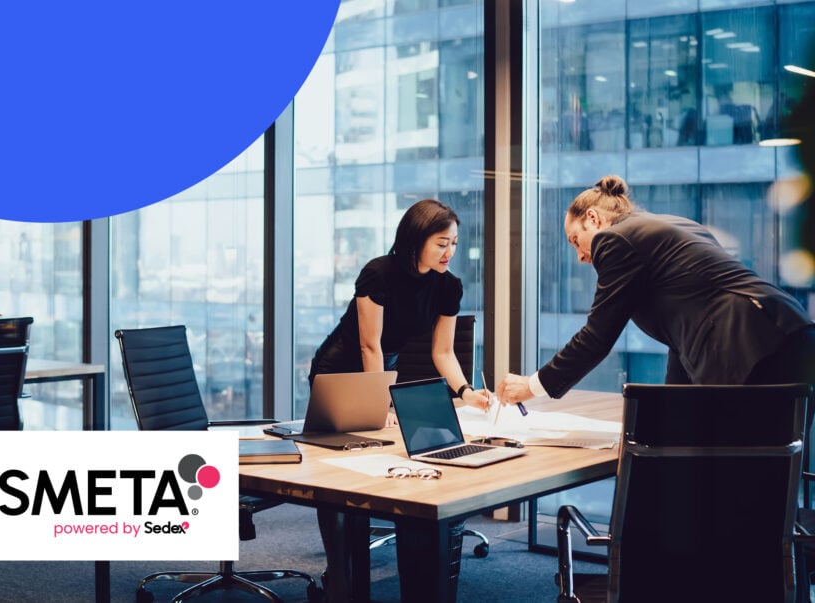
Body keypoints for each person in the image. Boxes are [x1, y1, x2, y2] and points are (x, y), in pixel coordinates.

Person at [496, 175, 815, 406]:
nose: (580, 256)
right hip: (787, 335)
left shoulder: (615, 239)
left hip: (756, 346)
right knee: (771, 479)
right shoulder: (670, 226)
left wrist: (532, 385)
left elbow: (597, 336)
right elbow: (682, 336)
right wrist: (671, 410)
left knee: (746, 482)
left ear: (592, 218)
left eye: (575, 241)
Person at [308, 197, 490, 598]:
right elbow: (368, 345)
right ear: (416, 239)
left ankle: (355, 571)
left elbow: (442, 352)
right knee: (334, 470)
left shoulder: (448, 287)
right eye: (442, 242)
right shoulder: (379, 274)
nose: (450, 252)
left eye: (455, 243)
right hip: (341, 370)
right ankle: (340, 575)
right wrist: (381, 402)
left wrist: (465, 391)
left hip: (382, 369)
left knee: (376, 455)